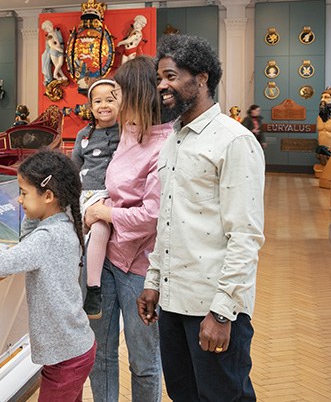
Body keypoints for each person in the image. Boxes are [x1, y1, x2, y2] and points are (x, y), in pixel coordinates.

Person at [138, 34, 265, 401]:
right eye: (159, 77)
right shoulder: (174, 140)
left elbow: (246, 235)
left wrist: (223, 313)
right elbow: (169, 219)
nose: (162, 85)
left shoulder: (234, 142)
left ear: (203, 78)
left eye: (172, 76)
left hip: (213, 307)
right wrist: (154, 280)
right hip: (173, 303)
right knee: (184, 395)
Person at [83, 56, 171, 402]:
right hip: (106, 259)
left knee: (144, 360)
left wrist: (104, 211)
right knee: (100, 353)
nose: (112, 102)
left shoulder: (165, 144)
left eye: (118, 93)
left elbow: (151, 215)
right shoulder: (127, 131)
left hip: (140, 271)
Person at [0, 149, 96, 401]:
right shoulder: (62, 225)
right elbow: (28, 240)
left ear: (48, 195)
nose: (19, 200)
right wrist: (30, 215)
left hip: (65, 357)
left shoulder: (46, 239)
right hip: (72, 349)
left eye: (24, 193)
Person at [69, 78, 121, 319]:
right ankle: (72, 287)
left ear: (121, 102)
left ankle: (93, 289)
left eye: (110, 100)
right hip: (86, 193)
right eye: (98, 101)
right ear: (90, 107)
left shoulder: (127, 130)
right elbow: (75, 165)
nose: (104, 105)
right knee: (74, 237)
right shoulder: (84, 134)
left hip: (110, 194)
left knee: (100, 229)